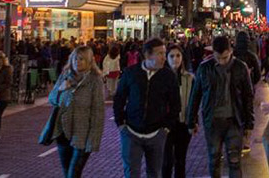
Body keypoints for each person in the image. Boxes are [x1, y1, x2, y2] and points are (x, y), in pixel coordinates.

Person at [187, 36, 254, 178]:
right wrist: (191, 120)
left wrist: (249, 123)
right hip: (212, 121)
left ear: (230, 51)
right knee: (214, 159)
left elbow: (248, 96)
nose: (222, 61)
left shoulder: (240, 67)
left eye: (225, 57)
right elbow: (196, 95)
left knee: (235, 161)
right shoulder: (204, 68)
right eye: (218, 58)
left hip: (234, 121)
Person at [114, 38, 181, 178]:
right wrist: (121, 123)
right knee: (131, 172)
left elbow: (175, 105)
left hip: (156, 133)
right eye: (160, 53)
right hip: (132, 131)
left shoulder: (168, 76)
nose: (164, 57)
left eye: (164, 53)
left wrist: (166, 128)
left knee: (155, 172)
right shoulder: (131, 73)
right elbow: (119, 98)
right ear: (147, 55)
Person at [48, 46, 105, 178]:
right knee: (67, 171)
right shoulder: (65, 76)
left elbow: (98, 113)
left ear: (89, 61)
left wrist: (93, 141)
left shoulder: (95, 81)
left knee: (74, 173)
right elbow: (52, 99)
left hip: (82, 135)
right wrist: (61, 89)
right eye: (74, 59)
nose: (77, 62)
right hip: (63, 133)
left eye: (81, 59)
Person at [162, 45, 194, 178]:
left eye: (178, 56)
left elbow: (193, 102)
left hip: (183, 123)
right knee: (166, 161)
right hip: (165, 125)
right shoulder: (160, 78)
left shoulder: (189, 78)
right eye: (171, 56)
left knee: (180, 160)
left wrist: (193, 121)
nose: (175, 59)